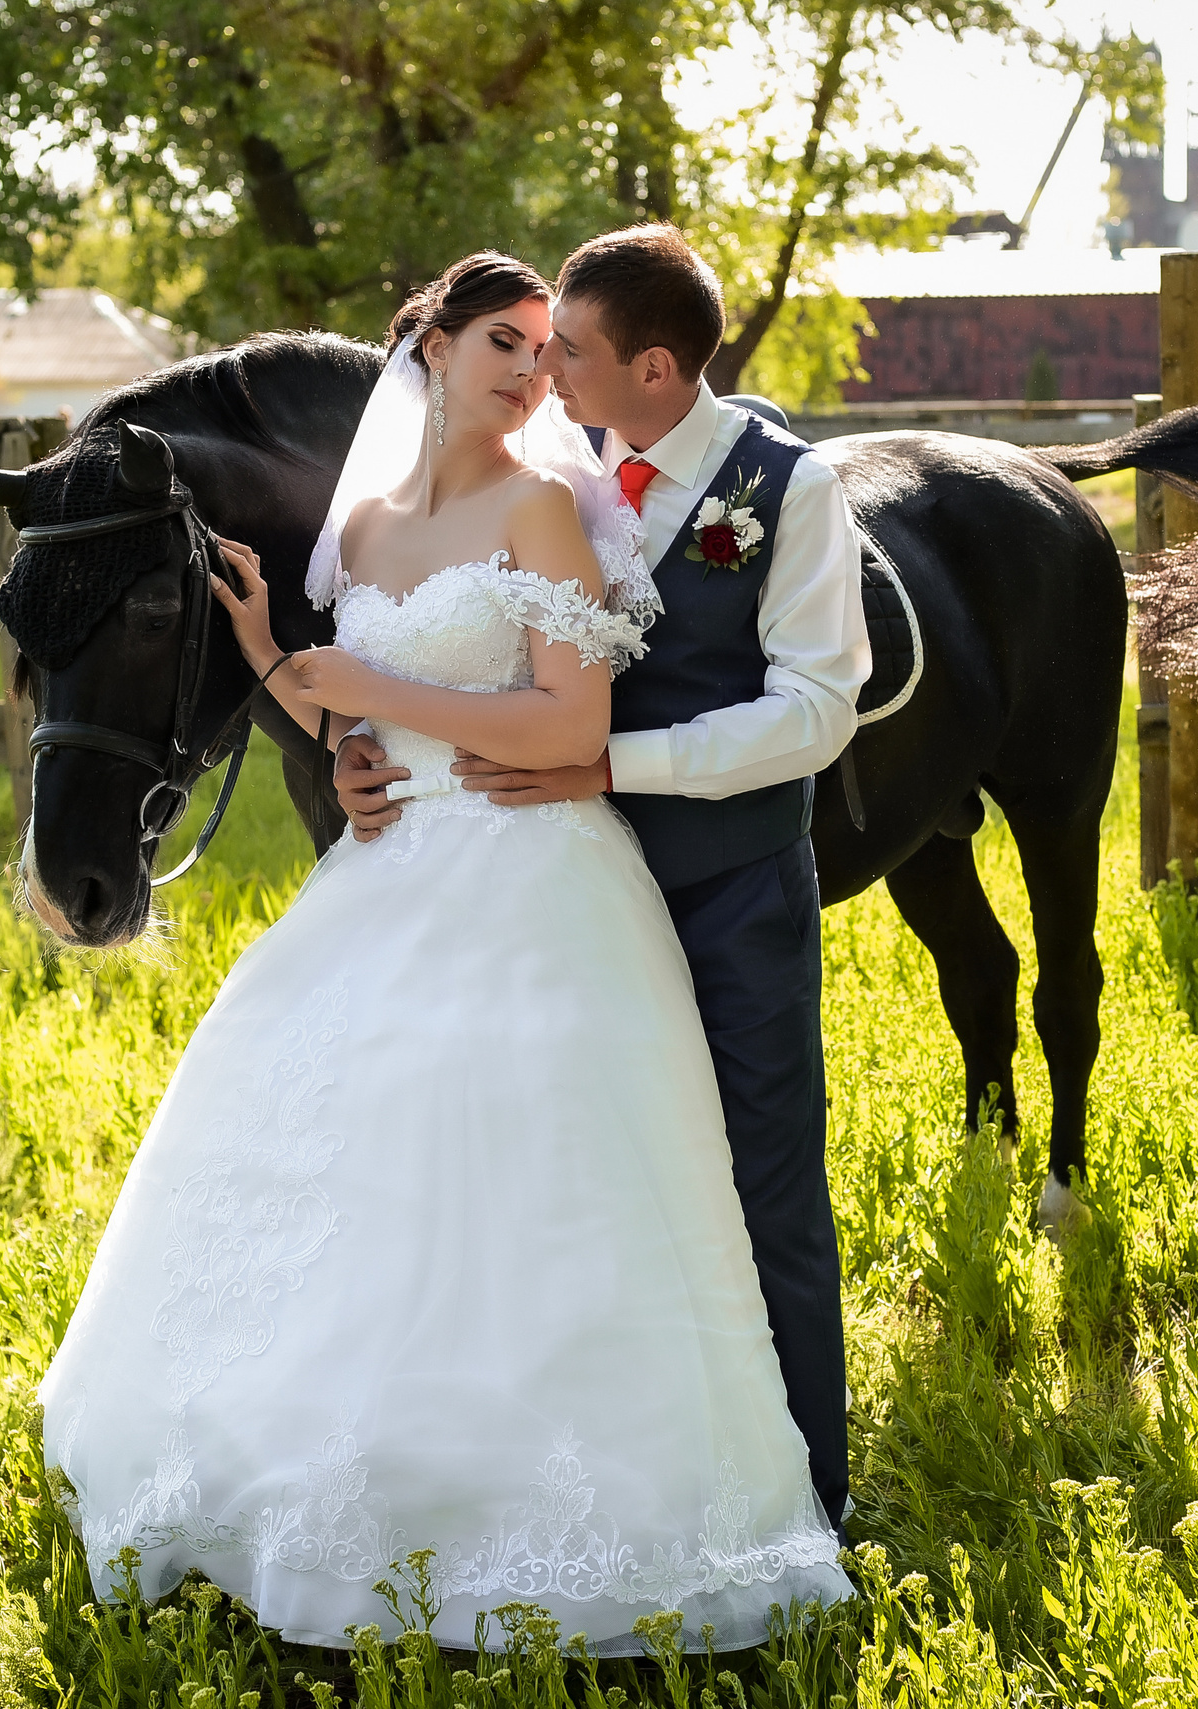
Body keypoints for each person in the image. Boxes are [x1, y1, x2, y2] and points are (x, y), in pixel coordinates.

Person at [35, 251, 853, 1655]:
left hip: (537, 872)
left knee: (562, 1188)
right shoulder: (358, 525)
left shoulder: (548, 505)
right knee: (354, 1180)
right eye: (509, 344)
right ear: (429, 348)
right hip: (391, 871)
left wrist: (369, 687)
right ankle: (329, 1464)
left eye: (550, 348)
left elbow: (567, 724)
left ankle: (749, 1485)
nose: (536, 372)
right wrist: (300, 684)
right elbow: (353, 711)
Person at [334, 226, 869, 1538]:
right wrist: (361, 746)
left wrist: (613, 765)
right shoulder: (552, 468)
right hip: (553, 895)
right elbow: (447, 632)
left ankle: (810, 1489)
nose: (544, 372)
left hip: (726, 887)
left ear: (655, 368)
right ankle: (596, 1469)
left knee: (763, 1179)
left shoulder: (787, 489)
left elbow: (815, 713)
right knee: (579, 1182)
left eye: (566, 349)